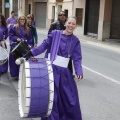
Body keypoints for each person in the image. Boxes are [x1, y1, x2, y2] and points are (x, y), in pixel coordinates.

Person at [23, 16, 83, 120]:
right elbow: (44, 45)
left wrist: (79, 71)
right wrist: (31, 53)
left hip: (64, 73)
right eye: (69, 23)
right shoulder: (55, 34)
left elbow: (77, 58)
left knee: (69, 98)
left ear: (76, 26)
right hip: (50, 70)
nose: (71, 25)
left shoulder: (76, 41)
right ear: (65, 23)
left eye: (73, 24)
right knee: (52, 98)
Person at [48, 10, 74, 75]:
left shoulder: (68, 24)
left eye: (64, 15)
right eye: (60, 15)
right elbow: (49, 35)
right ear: (58, 16)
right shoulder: (54, 24)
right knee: (57, 59)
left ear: (66, 17)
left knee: (68, 58)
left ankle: (69, 73)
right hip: (57, 45)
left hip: (66, 45)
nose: (62, 16)